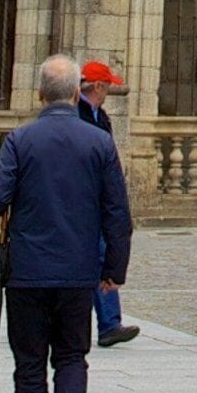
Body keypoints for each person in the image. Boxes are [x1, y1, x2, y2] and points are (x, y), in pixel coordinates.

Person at [0, 54, 131, 393]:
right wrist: (112, 269)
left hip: (26, 273)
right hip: (77, 273)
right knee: (71, 356)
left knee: (28, 367)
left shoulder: (20, 141)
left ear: (41, 94)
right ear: (77, 92)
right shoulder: (99, 142)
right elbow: (118, 211)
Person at [77, 60, 139, 348]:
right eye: (108, 87)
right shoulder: (77, 115)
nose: (109, 93)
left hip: (97, 202)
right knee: (89, 260)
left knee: (101, 257)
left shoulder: (99, 116)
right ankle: (105, 323)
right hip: (81, 201)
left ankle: (109, 324)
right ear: (98, 86)